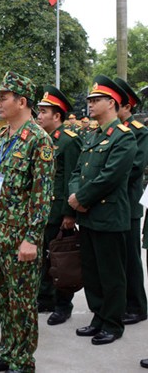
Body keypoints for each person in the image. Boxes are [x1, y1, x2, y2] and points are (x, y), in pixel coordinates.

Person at [0, 71, 54, 373]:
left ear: (22, 101)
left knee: (22, 304)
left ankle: (23, 362)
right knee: (0, 299)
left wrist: (32, 238)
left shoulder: (39, 140)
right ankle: (7, 352)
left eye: (4, 97)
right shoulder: (2, 136)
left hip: (20, 239)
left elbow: (42, 195)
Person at [68, 75, 137, 345]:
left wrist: (81, 198)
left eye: (96, 100)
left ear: (111, 103)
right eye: (90, 100)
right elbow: (78, 170)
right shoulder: (92, 135)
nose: (90, 105)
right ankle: (98, 316)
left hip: (108, 216)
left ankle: (113, 322)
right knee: (92, 271)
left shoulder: (124, 137)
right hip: (88, 216)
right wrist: (74, 195)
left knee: (111, 273)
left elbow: (111, 176)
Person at [35, 86, 82, 325]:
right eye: (39, 111)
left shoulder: (68, 141)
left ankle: (63, 305)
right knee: (43, 257)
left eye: (44, 111)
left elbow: (71, 179)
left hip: (58, 211)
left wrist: (69, 214)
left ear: (58, 116)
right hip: (41, 210)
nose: (39, 116)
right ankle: (45, 297)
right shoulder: (42, 139)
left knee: (60, 258)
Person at [113, 77, 148, 326]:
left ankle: (137, 305)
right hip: (111, 204)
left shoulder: (139, 132)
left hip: (128, 202)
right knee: (116, 257)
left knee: (131, 257)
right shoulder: (113, 131)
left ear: (127, 106)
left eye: (117, 104)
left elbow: (134, 168)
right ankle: (122, 303)